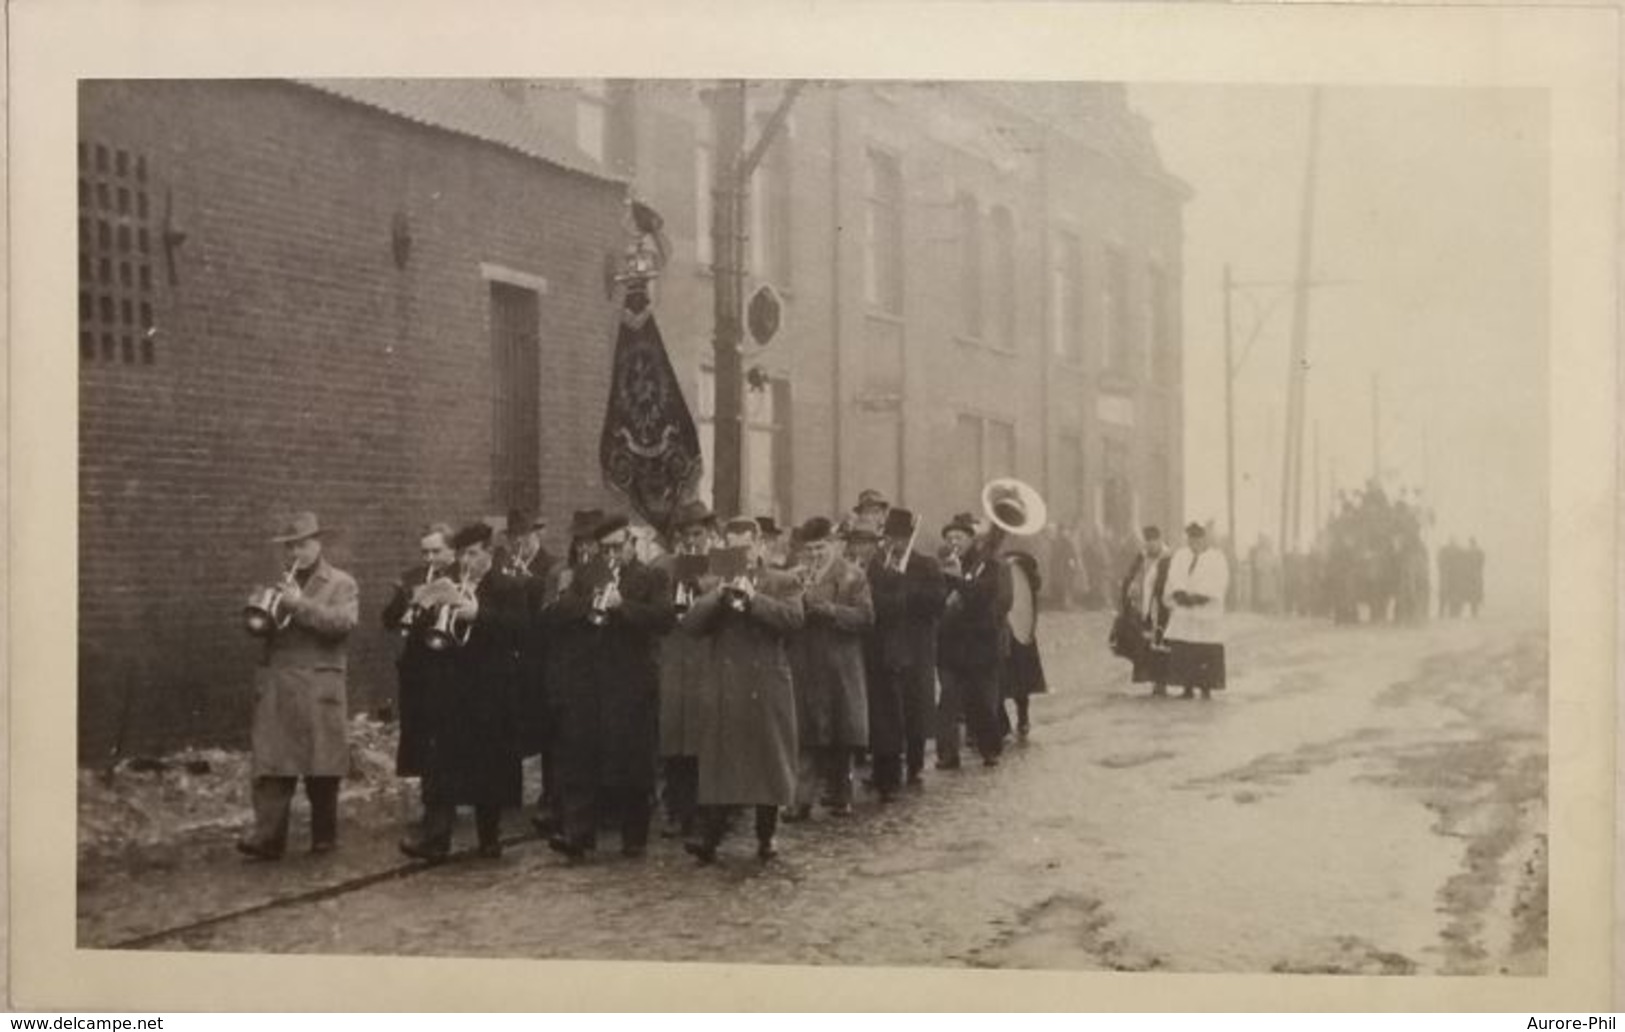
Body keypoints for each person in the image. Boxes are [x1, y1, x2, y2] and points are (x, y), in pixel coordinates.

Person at [546, 514, 674, 861]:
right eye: (605, 549)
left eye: (618, 547)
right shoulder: (586, 576)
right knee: (582, 757)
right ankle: (578, 836)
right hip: (590, 682)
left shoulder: (653, 577)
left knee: (633, 762)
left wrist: (623, 607)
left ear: (632, 544)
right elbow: (557, 614)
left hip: (633, 683)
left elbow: (663, 619)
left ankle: (634, 837)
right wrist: (590, 603)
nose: (612, 555)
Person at [398, 523, 527, 861]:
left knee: (489, 766)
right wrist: (426, 610)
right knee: (442, 764)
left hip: (490, 689)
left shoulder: (509, 586)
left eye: (474, 554)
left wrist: (478, 614)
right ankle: (436, 839)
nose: (466, 562)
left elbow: (520, 629)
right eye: (463, 554)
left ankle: (489, 837)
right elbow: (422, 635)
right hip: (451, 688)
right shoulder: (446, 584)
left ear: (488, 553)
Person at [681, 516, 805, 863]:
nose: (741, 554)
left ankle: (766, 835)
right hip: (728, 685)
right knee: (724, 761)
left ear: (759, 546)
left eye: (746, 547)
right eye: (732, 547)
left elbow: (794, 620)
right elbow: (690, 625)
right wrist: (719, 594)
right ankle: (711, 837)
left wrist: (754, 599)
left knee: (769, 760)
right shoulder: (713, 582)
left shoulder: (782, 580)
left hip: (766, 683)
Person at [237, 512, 359, 861]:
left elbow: (341, 623)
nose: (295, 554)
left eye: (302, 545)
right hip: (279, 685)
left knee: (322, 767)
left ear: (318, 544)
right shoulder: (277, 583)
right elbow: (261, 627)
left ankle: (323, 836)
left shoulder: (341, 583)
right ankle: (268, 837)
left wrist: (297, 604)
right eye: (289, 547)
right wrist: (260, 610)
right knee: (273, 763)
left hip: (318, 684)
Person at [785, 516, 874, 820]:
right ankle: (802, 800)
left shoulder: (852, 575)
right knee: (807, 736)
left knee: (841, 733)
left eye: (821, 547)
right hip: (806, 664)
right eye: (809, 549)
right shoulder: (795, 576)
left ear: (833, 545)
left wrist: (833, 611)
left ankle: (841, 795)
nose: (815, 554)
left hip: (839, 667)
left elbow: (865, 616)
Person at [530, 509, 604, 837]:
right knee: (559, 742)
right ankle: (557, 808)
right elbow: (545, 618)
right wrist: (565, 595)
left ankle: (580, 819)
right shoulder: (561, 571)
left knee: (585, 746)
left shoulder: (606, 574)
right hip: (562, 666)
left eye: (591, 541)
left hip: (596, 669)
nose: (585, 547)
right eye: (580, 540)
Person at [863, 507, 946, 798]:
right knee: (888, 712)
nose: (895, 544)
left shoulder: (926, 565)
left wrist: (905, 591)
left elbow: (938, 602)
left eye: (900, 538)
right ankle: (886, 769)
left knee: (915, 707)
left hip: (917, 646)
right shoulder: (878, 565)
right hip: (886, 646)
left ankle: (913, 763)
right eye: (890, 538)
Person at [656, 500, 716, 839]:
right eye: (686, 535)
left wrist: (703, 585)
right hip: (674, 658)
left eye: (698, 534)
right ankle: (676, 808)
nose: (692, 541)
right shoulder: (664, 565)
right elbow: (654, 606)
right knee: (674, 737)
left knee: (703, 737)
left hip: (706, 658)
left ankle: (704, 812)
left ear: (708, 533)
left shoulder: (723, 562)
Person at [380, 523, 457, 784]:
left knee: (448, 733)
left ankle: (444, 799)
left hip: (450, 666)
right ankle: (431, 799)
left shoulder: (459, 576)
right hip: (418, 667)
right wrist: (404, 602)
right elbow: (389, 621)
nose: (429, 559)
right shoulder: (412, 577)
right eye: (425, 552)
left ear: (452, 550)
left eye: (436, 551)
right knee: (420, 733)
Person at [936, 514, 1012, 768]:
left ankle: (989, 749)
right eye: (949, 538)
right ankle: (947, 754)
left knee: (982, 701)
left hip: (980, 643)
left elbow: (984, 595)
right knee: (948, 700)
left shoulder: (988, 565)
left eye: (959, 537)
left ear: (971, 540)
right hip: (950, 645)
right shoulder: (939, 566)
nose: (954, 542)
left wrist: (959, 580)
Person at [1162, 522, 1231, 701]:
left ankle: (1206, 687)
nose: (1194, 543)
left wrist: (1202, 597)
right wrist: (1179, 593)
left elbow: (1219, 581)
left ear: (1204, 539)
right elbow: (1173, 576)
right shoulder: (1181, 555)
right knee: (1185, 648)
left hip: (1206, 611)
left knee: (1205, 649)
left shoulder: (1216, 558)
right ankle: (1187, 687)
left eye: (1198, 539)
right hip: (1185, 610)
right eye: (1191, 539)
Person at [1117, 527, 1172, 696]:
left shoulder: (1168, 557)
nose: (1150, 546)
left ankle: (1162, 682)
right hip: (1144, 606)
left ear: (1160, 540)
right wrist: (1128, 590)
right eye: (1147, 543)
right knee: (1146, 644)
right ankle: (1152, 678)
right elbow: (1129, 575)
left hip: (1163, 606)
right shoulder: (1142, 556)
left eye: (1153, 543)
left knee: (1161, 644)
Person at [999, 546, 1047, 737]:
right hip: (1003, 627)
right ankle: (1004, 722)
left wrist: (1018, 563)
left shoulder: (1024, 569)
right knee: (1001, 678)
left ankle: (1023, 716)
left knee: (1021, 679)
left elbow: (1033, 587)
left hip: (1019, 627)